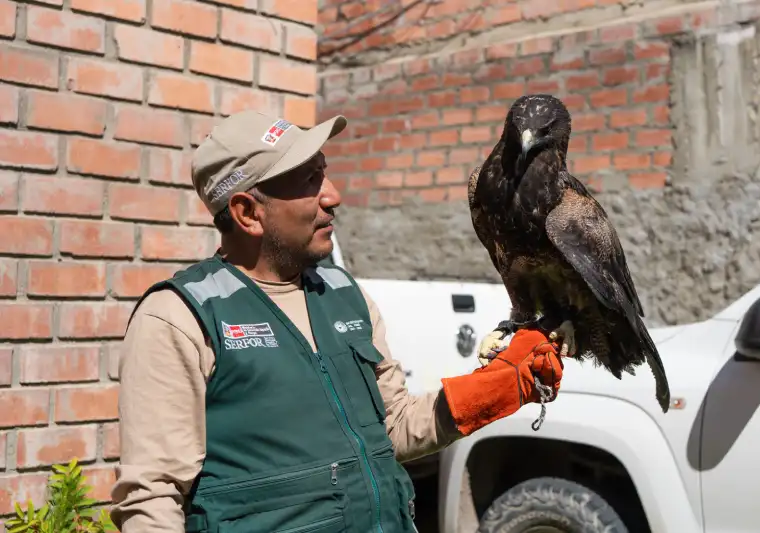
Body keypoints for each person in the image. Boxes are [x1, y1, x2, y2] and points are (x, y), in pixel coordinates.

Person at [109, 110, 566, 533]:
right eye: (309, 180)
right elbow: (152, 498)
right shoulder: (180, 317)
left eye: (323, 170)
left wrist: (502, 385)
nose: (333, 196)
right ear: (248, 212)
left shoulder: (345, 295)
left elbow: (395, 426)